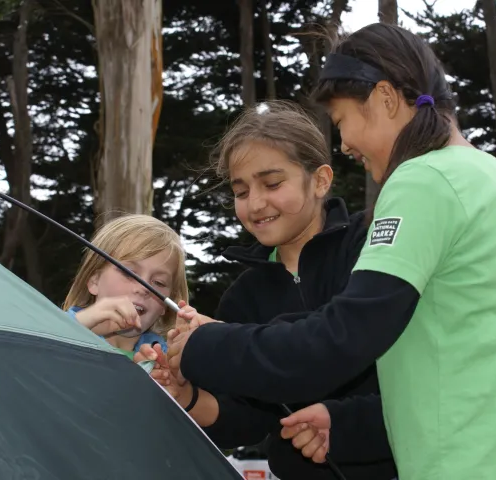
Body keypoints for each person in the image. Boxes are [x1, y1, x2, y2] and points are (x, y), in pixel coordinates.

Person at [164, 24, 496, 480]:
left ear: (386, 99)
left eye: (342, 122)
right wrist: (342, 420)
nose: (346, 143)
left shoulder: (423, 179)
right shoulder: (481, 172)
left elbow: (344, 334)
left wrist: (207, 344)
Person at [149, 100, 397, 480]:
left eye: (272, 183)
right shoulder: (244, 295)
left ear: (320, 180)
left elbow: (349, 343)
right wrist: (187, 396)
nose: (255, 204)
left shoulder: (370, 249)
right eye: (241, 191)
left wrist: (226, 343)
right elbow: (247, 419)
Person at [63, 214, 189, 360]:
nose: (144, 288)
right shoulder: (54, 326)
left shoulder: (167, 361)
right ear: (94, 281)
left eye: (159, 283)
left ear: (165, 306)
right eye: (129, 273)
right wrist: (78, 326)